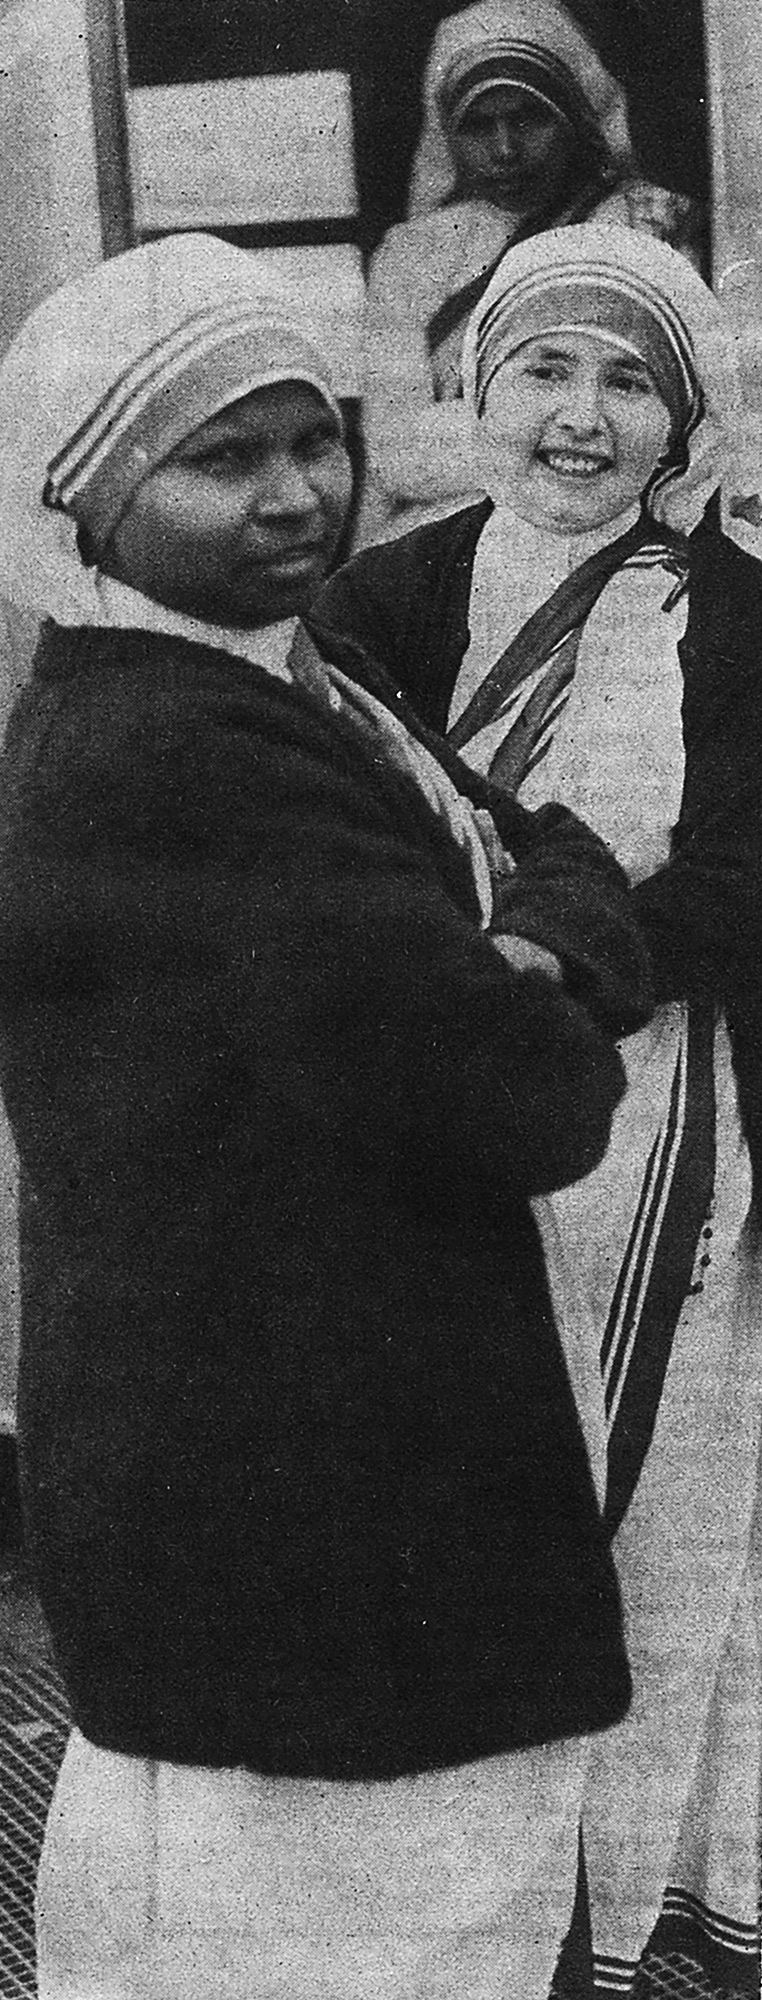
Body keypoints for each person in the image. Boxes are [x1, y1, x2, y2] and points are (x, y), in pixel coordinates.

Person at [0, 231, 654, 1999]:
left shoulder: (273, 681)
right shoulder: (181, 752)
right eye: (221, 459)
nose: (295, 495)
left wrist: (522, 939)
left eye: (316, 439)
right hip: (298, 1475)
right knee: (342, 1933)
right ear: (83, 496)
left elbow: (546, 853)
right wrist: (534, 961)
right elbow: (524, 1095)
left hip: (286, 1440)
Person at [300, 222, 762, 2000]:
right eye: (545, 369)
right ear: (475, 387)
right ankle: (448, 1909)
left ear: (684, 421)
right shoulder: (376, 604)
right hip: (436, 1117)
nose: (581, 415)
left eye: (628, 380)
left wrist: (556, 966)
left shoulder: (734, 617)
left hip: (661, 1122)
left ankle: (614, 1909)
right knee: (446, 1488)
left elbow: (738, 879)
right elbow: (335, 851)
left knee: (651, 1513)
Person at [361, 0, 700, 541]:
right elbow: (396, 451)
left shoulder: (645, 226)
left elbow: (652, 425)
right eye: (477, 125)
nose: (504, 150)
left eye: (527, 118)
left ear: (573, 115)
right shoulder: (411, 254)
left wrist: (470, 430)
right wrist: (552, 430)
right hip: (437, 536)